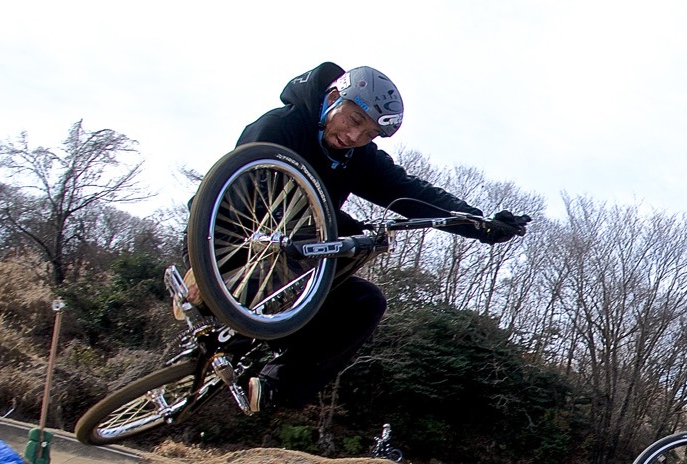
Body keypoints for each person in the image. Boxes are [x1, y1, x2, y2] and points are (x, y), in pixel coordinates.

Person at [204, 62, 530, 412]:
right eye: (355, 120)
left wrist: (480, 225)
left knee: (364, 302)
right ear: (333, 97)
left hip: (295, 257)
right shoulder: (281, 126)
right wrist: (204, 267)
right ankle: (223, 315)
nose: (355, 137)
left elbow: (412, 195)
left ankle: (275, 386)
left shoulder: (355, 157)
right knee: (338, 233)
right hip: (227, 242)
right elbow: (235, 192)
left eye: (369, 134)